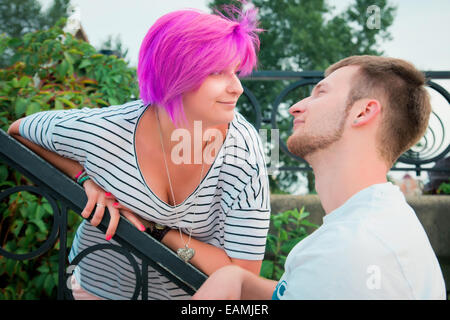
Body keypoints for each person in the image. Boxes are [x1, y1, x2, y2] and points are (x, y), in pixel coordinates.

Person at [8, 6, 271, 300]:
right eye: (217, 72)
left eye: (235, 72)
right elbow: (18, 131)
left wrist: (154, 230)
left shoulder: (242, 150)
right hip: (94, 290)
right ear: (174, 73)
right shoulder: (108, 131)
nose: (236, 87)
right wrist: (84, 178)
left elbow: (244, 278)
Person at [192, 55, 447, 300]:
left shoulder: (352, 249)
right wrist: (239, 279)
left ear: (363, 112)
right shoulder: (374, 226)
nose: (296, 107)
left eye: (321, 93)